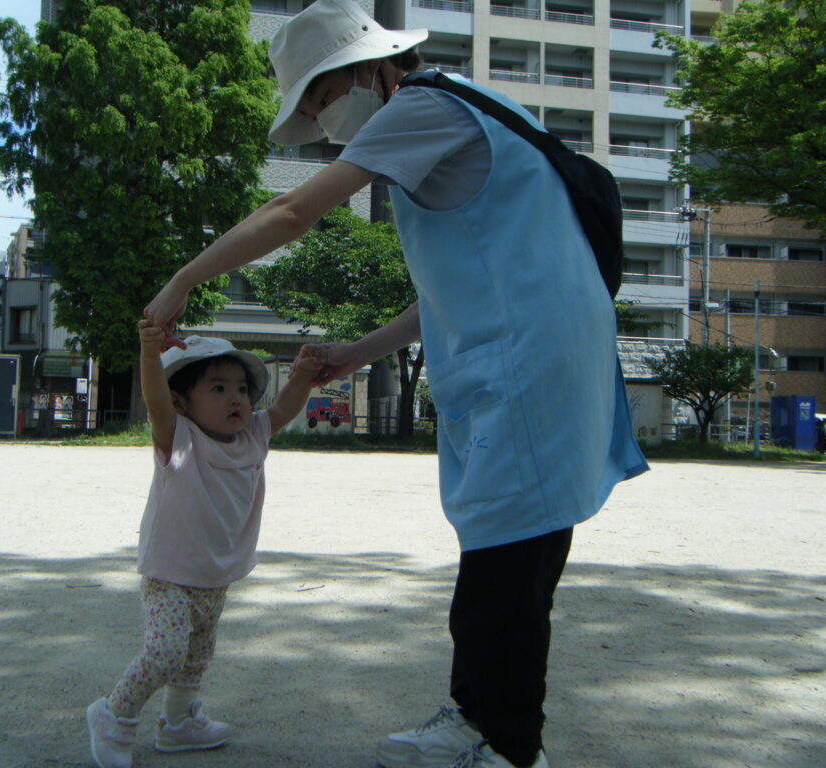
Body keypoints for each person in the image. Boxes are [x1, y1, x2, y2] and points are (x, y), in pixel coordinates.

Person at [143, 1, 649, 766]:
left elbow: (291, 211)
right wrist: (361, 350)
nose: (323, 119)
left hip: (524, 357)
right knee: (510, 546)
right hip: (538, 348)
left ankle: (508, 745)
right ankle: (477, 716)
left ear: (366, 67)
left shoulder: (424, 106)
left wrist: (183, 279)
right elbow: (456, 284)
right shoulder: (467, 108)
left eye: (319, 97)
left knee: (506, 554)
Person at [84, 323, 322, 768]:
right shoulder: (178, 438)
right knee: (166, 650)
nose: (235, 398)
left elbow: (285, 408)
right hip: (169, 572)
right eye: (217, 388)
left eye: (241, 388)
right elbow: (155, 399)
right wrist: (150, 353)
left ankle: (178, 725)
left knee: (197, 654)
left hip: (217, 573)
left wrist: (303, 376)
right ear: (180, 401)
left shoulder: (253, 435)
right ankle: (113, 716)